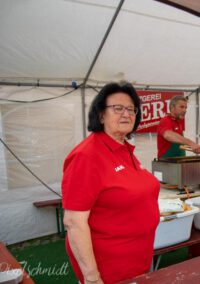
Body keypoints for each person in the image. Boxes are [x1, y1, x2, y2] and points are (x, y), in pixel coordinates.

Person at [62, 82, 160, 284]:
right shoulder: (87, 156)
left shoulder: (123, 148)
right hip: (108, 272)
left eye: (131, 109)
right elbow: (74, 222)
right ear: (100, 115)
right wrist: (92, 278)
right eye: (117, 108)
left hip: (136, 262)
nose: (127, 114)